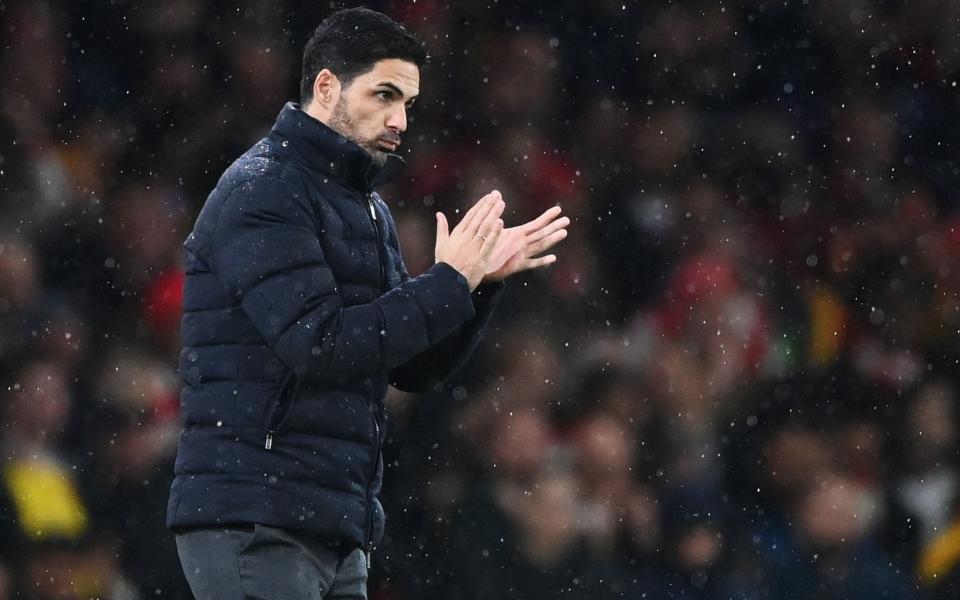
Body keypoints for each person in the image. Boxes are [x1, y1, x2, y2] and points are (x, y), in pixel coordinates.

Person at [166, 7, 569, 599]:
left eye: (407, 102)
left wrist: (475, 285)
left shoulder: (367, 207)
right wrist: (446, 282)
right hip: (256, 516)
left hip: (331, 522)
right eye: (384, 94)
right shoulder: (265, 189)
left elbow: (409, 366)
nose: (400, 119)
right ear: (326, 86)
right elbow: (320, 344)